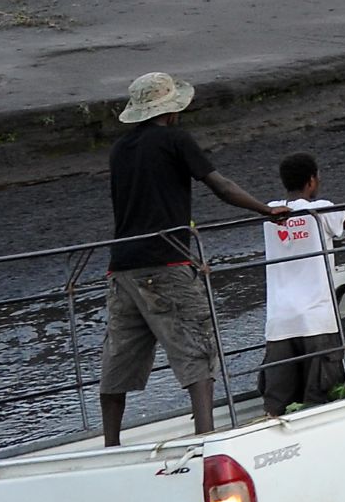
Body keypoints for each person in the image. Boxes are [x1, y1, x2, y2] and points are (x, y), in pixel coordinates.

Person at [101, 72, 283, 447]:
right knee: (197, 348)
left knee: (118, 359)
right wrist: (266, 210)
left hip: (121, 268)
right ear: (170, 111)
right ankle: (206, 438)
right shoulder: (174, 140)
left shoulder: (120, 149)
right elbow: (221, 186)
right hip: (166, 262)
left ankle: (111, 445)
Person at [259, 153, 345, 416]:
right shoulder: (321, 209)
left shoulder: (269, 212)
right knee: (321, 400)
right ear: (311, 180)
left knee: (276, 405)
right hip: (316, 320)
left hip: (279, 322)